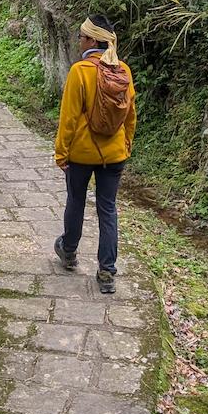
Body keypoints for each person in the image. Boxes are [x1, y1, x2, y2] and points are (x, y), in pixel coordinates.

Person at [53, 18, 136, 294]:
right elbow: (130, 115)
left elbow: (69, 118)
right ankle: (107, 271)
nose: (79, 42)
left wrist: (61, 153)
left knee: (76, 200)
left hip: (81, 154)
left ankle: (69, 252)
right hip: (114, 155)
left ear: (91, 41)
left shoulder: (80, 71)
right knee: (108, 208)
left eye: (81, 37)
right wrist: (126, 143)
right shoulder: (123, 70)